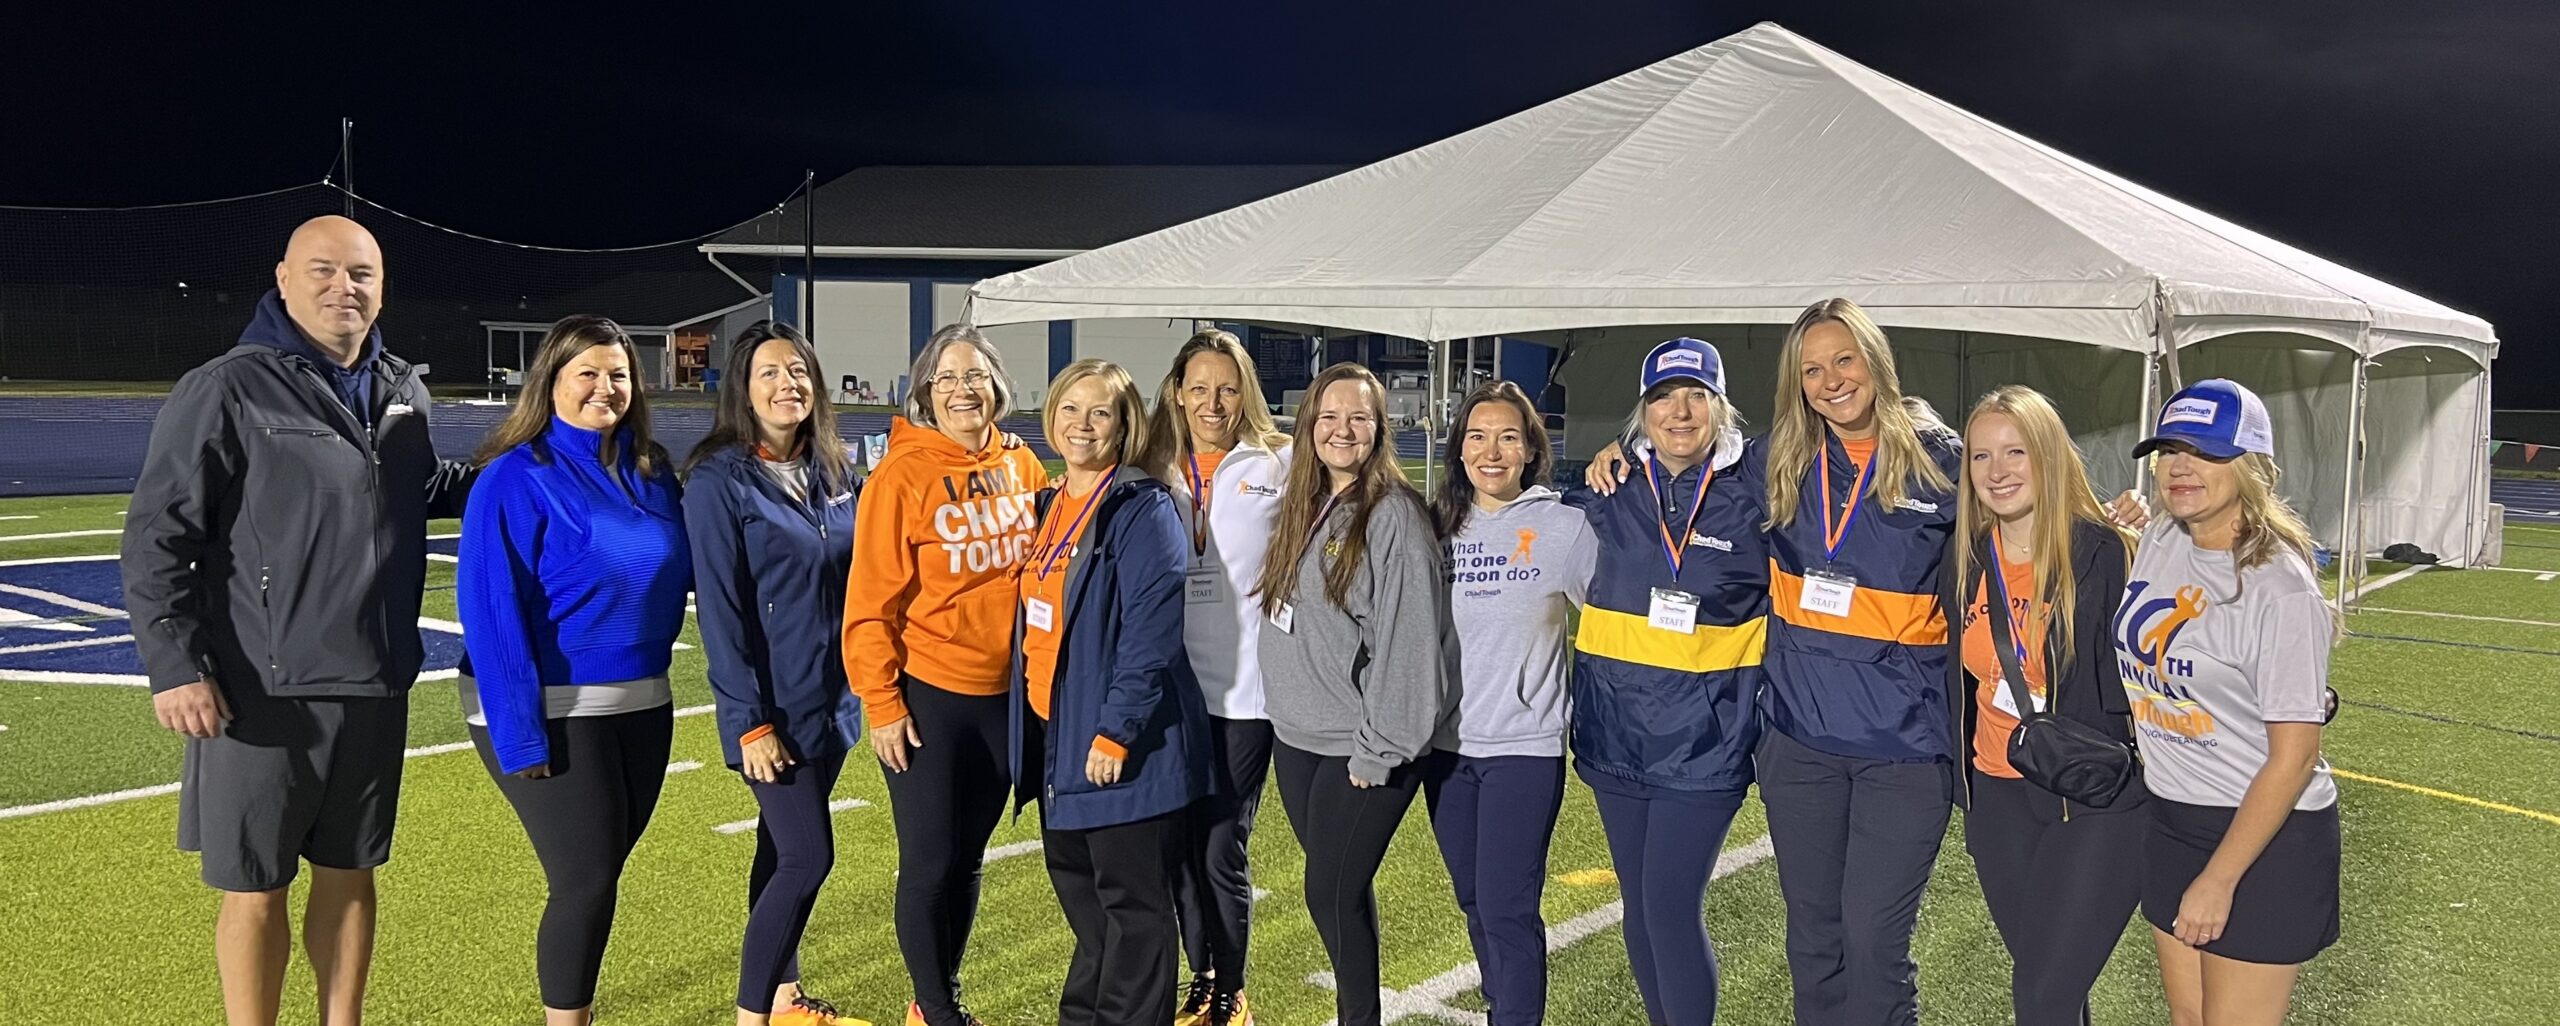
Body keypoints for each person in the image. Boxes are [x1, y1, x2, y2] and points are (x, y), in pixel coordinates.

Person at [122, 215, 471, 1026]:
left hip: (375, 679)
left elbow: (418, 487)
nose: (344, 287)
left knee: (352, 873)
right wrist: (175, 664)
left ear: (382, 288)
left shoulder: (402, 388)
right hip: (261, 690)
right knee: (256, 886)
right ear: (283, 279)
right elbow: (157, 536)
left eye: (362, 274)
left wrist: (537, 467)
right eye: (323, 270)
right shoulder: (227, 387)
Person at [457, 315, 691, 1026]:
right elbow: (491, 611)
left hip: (643, 702)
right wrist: (519, 733)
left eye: (618, 374)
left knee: (603, 873)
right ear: (550, 382)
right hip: (552, 704)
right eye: (586, 373)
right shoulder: (514, 477)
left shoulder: (653, 472)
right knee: (584, 880)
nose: (604, 388)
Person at [841, 324, 1052, 1026]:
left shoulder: (1023, 463)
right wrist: (882, 703)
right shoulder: (899, 476)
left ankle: (939, 997)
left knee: (969, 858)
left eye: (976, 376)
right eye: (948, 379)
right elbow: (869, 603)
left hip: (1007, 698)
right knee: (930, 862)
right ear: (925, 392)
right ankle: (937, 1012)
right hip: (930, 697)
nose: (963, 390)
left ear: (998, 386)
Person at [2118, 379, 2339, 1026]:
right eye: (2169, 451)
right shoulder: (2162, 537)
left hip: (2263, 836)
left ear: (2251, 466)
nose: (2180, 468)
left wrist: (2220, 878)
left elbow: (2294, 759)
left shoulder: (2279, 588)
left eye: (2205, 453)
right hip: (2171, 817)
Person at [1567, 340, 1770, 1026]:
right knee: (1640, 907)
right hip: (1617, 736)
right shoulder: (1612, 485)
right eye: (1663, 398)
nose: (1679, 412)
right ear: (1643, 410)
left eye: (1695, 396)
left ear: (1720, 407)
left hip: (1706, 745)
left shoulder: (1759, 488)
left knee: (1670, 906)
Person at [1010, 359, 1215, 1026]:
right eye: (1071, 408)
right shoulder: (1050, 504)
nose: (1083, 424)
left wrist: (1117, 730)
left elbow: (1152, 631)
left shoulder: (1141, 506)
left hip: (1117, 744)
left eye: (1101, 412)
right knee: (1089, 911)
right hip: (1058, 736)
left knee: (1134, 914)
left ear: (1124, 426)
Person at [682, 321, 870, 1026]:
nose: (787, 384)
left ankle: (786, 998)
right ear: (743, 387)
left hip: (833, 703)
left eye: (798, 371)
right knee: (808, 857)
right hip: (772, 712)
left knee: (778, 852)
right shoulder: (717, 480)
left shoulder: (836, 470)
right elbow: (721, 614)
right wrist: (748, 721)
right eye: (769, 372)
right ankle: (751, 1016)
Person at [1253, 362, 1450, 1026]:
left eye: (1359, 417)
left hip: (1358, 747)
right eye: (1329, 416)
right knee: (1341, 889)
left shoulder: (1393, 515)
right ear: (1309, 424)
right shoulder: (1305, 502)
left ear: (1379, 428)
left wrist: (1379, 750)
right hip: (1298, 738)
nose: (1342, 430)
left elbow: (1410, 645)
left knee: (1329, 893)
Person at [1947, 386, 2147, 1026]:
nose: (1997, 471)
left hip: (2091, 801)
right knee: (2052, 991)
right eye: (1981, 456)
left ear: (2050, 455)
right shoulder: (1963, 556)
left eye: (2016, 452)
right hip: (1997, 797)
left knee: (2042, 997)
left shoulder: (2106, 551)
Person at [1424, 380, 1598, 1026]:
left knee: (1507, 908)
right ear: (1458, 448)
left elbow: (1613, 617)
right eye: (1476, 437)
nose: (1490, 452)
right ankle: (1504, 1004)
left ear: (1530, 449)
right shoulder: (1435, 527)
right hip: (1445, 750)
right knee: (1473, 900)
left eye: (1506, 437)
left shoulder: (1564, 527)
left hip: (1523, 749)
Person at [1146, 329, 1292, 1026]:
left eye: (1228, 389)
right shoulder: (1150, 466)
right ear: (1177, 393)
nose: (1213, 403)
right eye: (1199, 388)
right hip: (1171, 692)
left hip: (1246, 691)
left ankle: (1232, 991)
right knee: (1178, 848)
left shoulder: (1281, 459)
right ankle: (1201, 980)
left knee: (1221, 845)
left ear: (1246, 393)